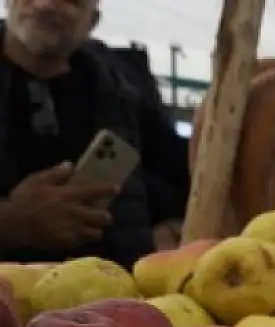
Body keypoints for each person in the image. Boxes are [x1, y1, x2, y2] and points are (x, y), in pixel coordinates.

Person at [0, 0, 190, 268]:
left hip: (115, 292)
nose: (46, 4)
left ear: (92, 22)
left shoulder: (123, 89)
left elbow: (178, 173)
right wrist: (13, 222)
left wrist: (170, 229)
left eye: (72, 1)